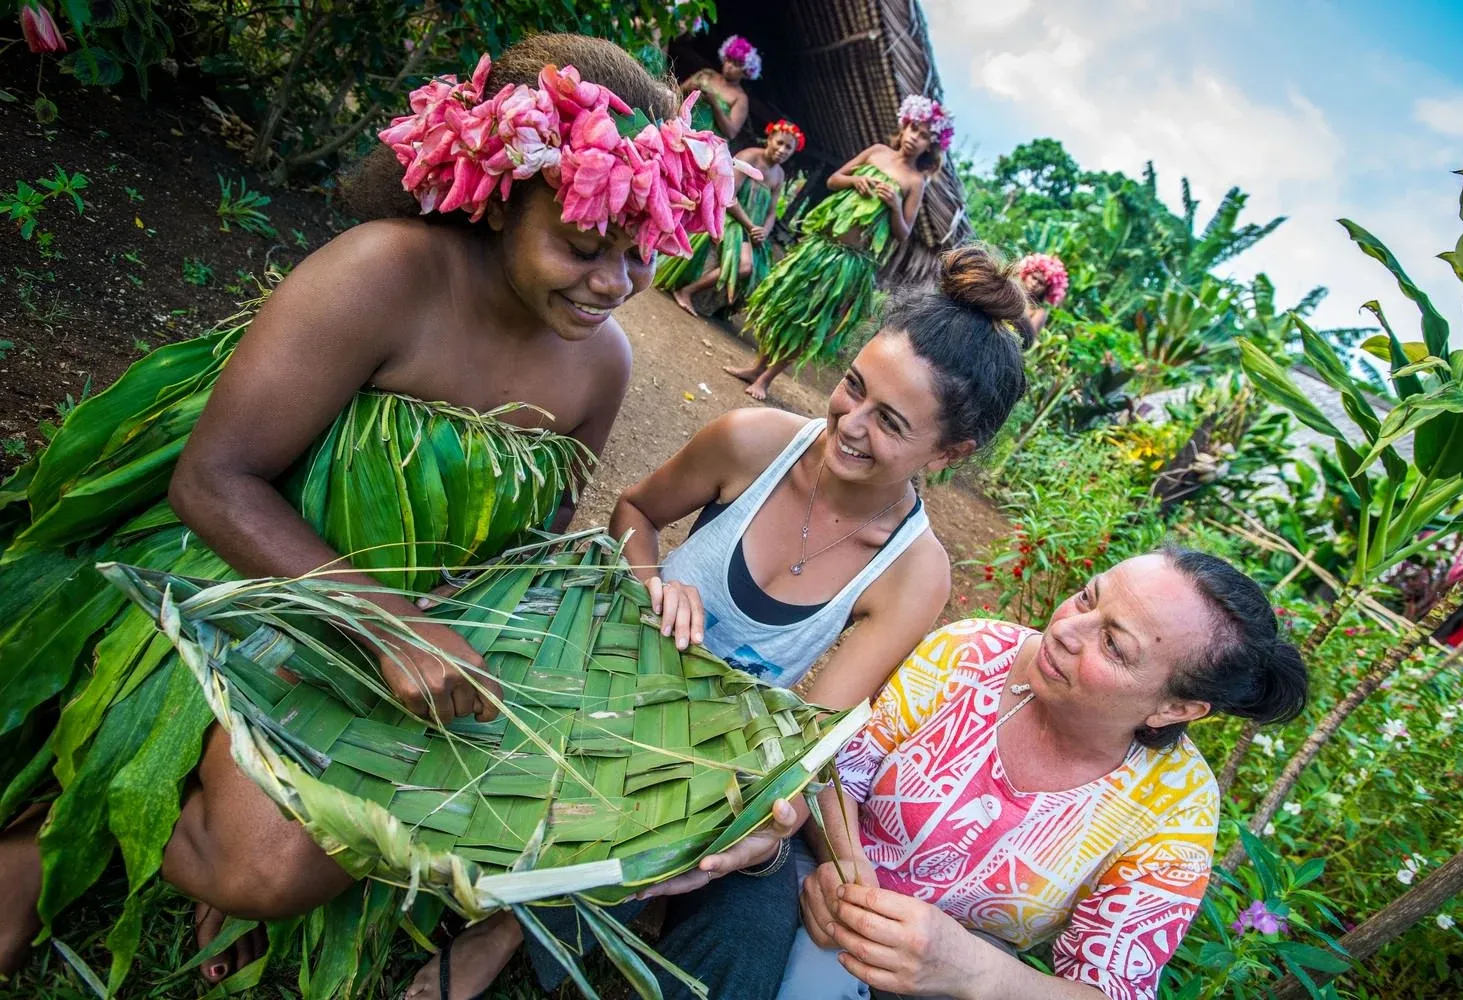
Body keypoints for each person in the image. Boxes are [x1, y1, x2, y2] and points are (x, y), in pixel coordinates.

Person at [0, 33, 739, 993]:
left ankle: (208, 793)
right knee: (264, 863)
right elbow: (213, 480)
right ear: (499, 194)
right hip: (239, 577)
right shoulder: (384, 272)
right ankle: (60, 811)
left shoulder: (603, 363)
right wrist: (388, 622)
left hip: (404, 626)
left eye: (639, 255)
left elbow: (540, 538)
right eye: (583, 245)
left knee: (310, 853)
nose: (612, 284)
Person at [430, 244, 1034, 999]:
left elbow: (806, 728)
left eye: (889, 422)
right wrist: (651, 583)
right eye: (852, 387)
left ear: (949, 451)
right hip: (605, 663)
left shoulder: (915, 573)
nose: (847, 423)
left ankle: (513, 923)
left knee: (722, 827)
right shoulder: (755, 442)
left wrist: (762, 818)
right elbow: (635, 513)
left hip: (707, 748)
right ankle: (518, 891)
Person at [772, 549, 1309, 999]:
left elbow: (1110, 989)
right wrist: (844, 860)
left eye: (1114, 646)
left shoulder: (1175, 805)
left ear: (1177, 709)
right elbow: (839, 771)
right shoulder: (969, 653)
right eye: (1087, 596)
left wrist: (970, 969)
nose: (1066, 630)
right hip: (814, 876)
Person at [730, 94, 954, 400]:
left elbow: (902, 233)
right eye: (914, 129)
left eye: (925, 137)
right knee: (786, 305)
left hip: (850, 262)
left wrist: (895, 204)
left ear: (932, 146)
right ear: (904, 126)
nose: (916, 138)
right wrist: (855, 181)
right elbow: (835, 179)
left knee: (808, 320)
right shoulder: (877, 152)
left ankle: (766, 379)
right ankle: (756, 367)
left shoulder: (915, 181)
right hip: (822, 246)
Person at [658, 118, 804, 315]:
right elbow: (729, 196)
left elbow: (771, 212)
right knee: (745, 267)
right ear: (769, 139)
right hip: (730, 220)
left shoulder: (779, 175)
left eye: (789, 148)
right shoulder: (749, 157)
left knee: (759, 273)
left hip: (752, 231)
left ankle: (719, 309)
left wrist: (764, 231)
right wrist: (750, 226)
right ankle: (686, 291)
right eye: (780, 142)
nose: (783, 150)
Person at [680, 33, 759, 139]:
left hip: (704, 144)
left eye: (736, 64)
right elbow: (678, 91)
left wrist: (714, 104)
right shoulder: (707, 74)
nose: (730, 66)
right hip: (681, 126)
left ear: (746, 72)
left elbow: (731, 132)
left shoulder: (740, 98)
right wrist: (689, 89)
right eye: (729, 60)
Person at [1016, 252, 1069, 332]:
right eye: (1034, 278)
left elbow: (1028, 339)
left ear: (1048, 289)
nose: (1034, 284)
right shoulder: (1009, 292)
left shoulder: (1039, 313)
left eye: (1041, 283)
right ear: (1026, 274)